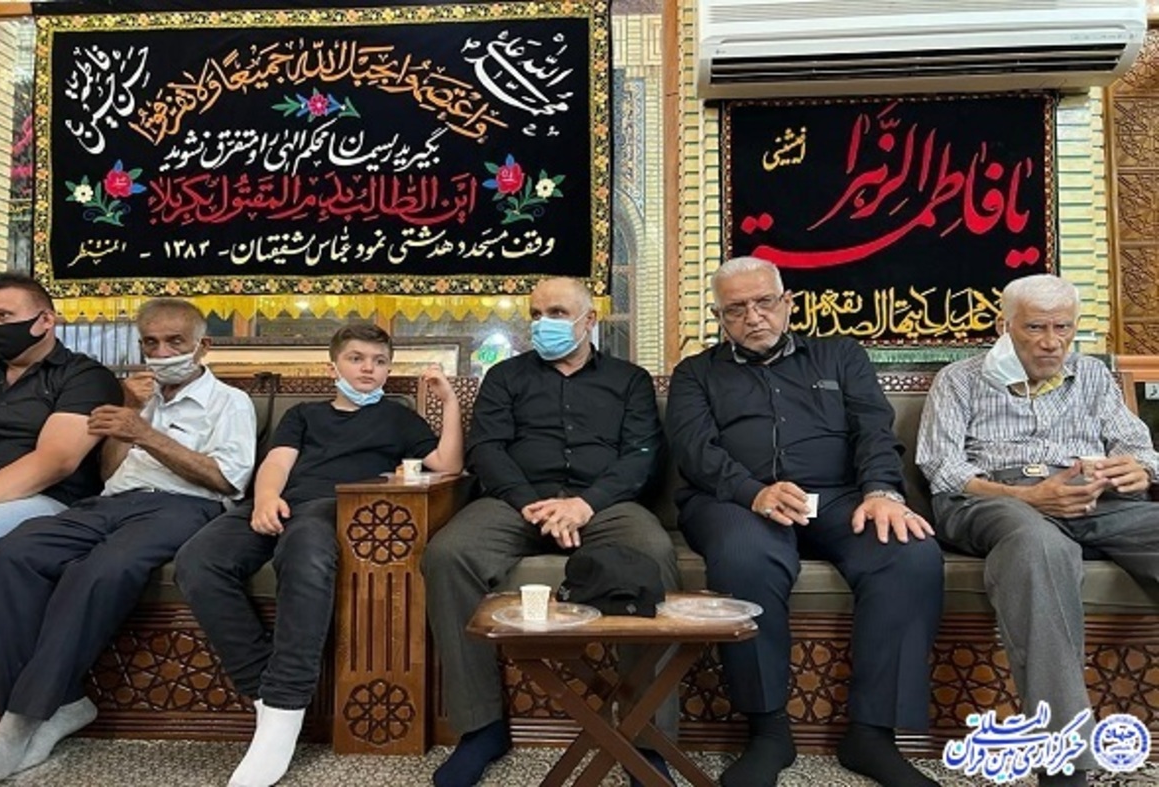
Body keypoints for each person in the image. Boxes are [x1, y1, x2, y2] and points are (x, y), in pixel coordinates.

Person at [666, 257, 943, 787]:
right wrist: (754, 492)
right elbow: (695, 451)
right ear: (718, 318)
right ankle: (768, 732)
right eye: (735, 309)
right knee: (745, 558)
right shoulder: (695, 373)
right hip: (735, 500)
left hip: (839, 499)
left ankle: (873, 735)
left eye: (764, 302)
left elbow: (873, 430)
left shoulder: (841, 355)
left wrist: (882, 492)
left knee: (909, 553)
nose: (753, 317)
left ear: (788, 303)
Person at [0, 297, 256, 784]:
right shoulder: (137, 400)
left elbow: (227, 480)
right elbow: (109, 475)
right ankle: (64, 703)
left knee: (101, 570)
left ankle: (17, 722)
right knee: (11, 555)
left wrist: (146, 434)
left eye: (175, 342)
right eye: (151, 343)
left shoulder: (230, 401)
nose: (162, 352)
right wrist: (128, 417)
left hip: (184, 505)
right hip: (110, 503)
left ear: (203, 346)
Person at [175, 324, 463, 787]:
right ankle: (264, 694)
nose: (368, 369)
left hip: (340, 507)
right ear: (334, 367)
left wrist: (448, 402)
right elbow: (277, 463)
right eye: (356, 358)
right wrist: (266, 499)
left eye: (379, 361)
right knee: (197, 560)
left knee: (305, 547)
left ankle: (285, 703)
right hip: (279, 501)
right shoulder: (304, 414)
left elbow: (447, 465)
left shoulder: (398, 418)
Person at [421, 277, 680, 787]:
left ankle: (646, 736)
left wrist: (584, 504)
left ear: (589, 320)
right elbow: (488, 448)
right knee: (448, 555)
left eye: (557, 313)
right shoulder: (504, 377)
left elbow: (642, 454)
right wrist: (530, 504)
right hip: (517, 502)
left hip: (601, 504)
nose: (543, 324)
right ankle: (481, 728)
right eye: (536, 314)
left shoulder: (628, 380)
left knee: (652, 551)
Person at [917, 273, 1159, 787]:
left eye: (1063, 328)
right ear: (1004, 326)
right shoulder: (960, 379)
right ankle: (1065, 765)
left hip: (1091, 495)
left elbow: (1137, 447)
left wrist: (1140, 469)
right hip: (994, 499)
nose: (1052, 342)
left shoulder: (1091, 376)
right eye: (1036, 328)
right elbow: (943, 469)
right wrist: (1029, 497)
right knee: (1037, 545)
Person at [0, 272, 122, 633]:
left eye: (3, 316)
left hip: (46, 499)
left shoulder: (84, 377)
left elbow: (55, 462)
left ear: (45, 320)